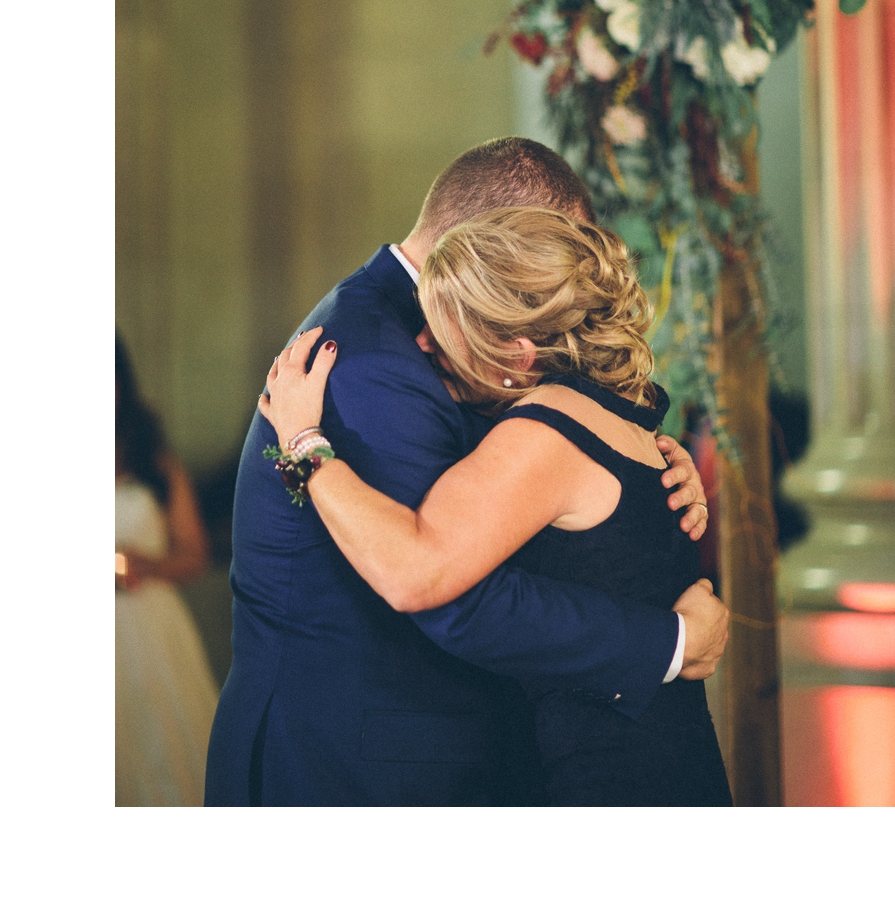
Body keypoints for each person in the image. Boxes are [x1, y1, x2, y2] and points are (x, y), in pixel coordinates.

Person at [205, 137, 726, 806]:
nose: (562, 279)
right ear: (484, 240)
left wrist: (644, 475)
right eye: (541, 247)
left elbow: (533, 488)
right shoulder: (369, 359)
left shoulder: (500, 369)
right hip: (350, 765)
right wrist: (670, 641)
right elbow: (442, 585)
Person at [116, 335, 222, 806]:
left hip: (147, 625)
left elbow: (195, 553)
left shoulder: (150, 457)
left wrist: (145, 564)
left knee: (164, 753)